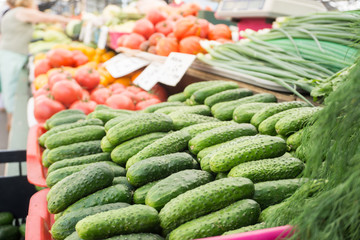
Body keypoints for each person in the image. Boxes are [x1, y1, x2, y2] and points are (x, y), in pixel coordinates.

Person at [0, 0, 69, 130]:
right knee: (13, 90)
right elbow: (45, 17)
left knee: (10, 89)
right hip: (13, 56)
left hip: (9, 54)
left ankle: (11, 123)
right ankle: (13, 126)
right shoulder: (21, 12)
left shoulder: (11, 13)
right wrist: (67, 20)